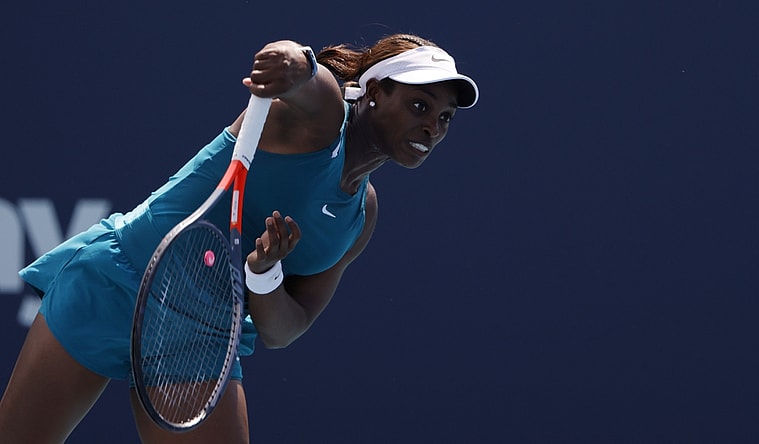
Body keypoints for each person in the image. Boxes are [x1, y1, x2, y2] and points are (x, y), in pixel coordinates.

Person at [0, 33, 478, 443]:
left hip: (202, 338)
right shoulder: (323, 116)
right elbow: (306, 77)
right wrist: (292, 62)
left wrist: (264, 274)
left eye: (445, 118)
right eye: (420, 105)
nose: (432, 127)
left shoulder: (362, 214)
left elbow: (284, 328)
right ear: (374, 92)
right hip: (116, 284)